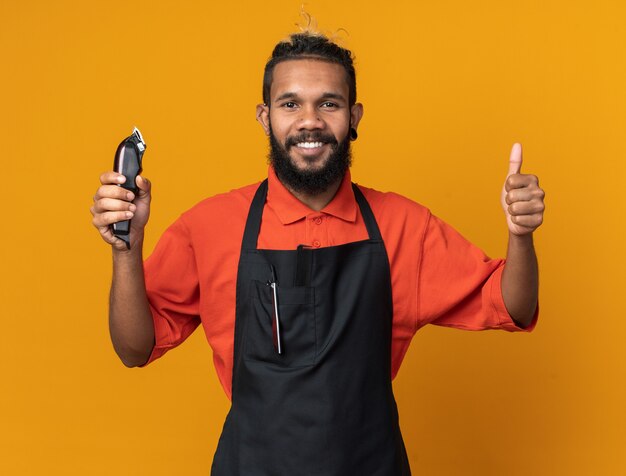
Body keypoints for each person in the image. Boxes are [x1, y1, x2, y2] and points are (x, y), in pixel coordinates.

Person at [91, 31, 544, 475]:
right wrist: (126, 249)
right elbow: (134, 347)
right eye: (291, 104)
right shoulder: (208, 227)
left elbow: (514, 305)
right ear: (265, 117)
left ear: (354, 117)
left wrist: (520, 234)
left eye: (329, 103)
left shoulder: (404, 226)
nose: (310, 120)